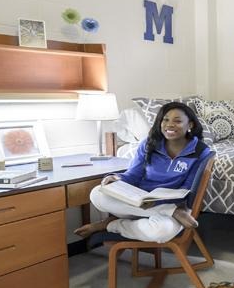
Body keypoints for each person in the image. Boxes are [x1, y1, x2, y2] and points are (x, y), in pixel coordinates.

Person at [74, 101, 211, 243]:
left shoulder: (200, 151)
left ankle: (110, 224)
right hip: (143, 202)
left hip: (176, 205)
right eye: (165, 120)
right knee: (97, 193)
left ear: (190, 125)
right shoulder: (149, 143)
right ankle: (169, 211)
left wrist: (165, 203)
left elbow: (188, 189)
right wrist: (117, 177)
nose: (170, 124)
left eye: (177, 121)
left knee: (161, 230)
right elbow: (133, 175)